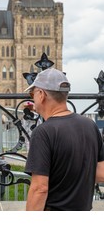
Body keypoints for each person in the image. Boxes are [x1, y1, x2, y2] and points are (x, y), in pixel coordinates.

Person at [24, 68, 104, 211]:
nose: (33, 98)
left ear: (41, 95)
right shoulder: (89, 125)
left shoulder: (43, 133)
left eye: (33, 93)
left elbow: (39, 189)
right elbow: (101, 174)